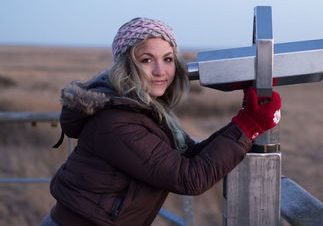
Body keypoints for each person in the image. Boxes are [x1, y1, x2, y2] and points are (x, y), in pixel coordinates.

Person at [40, 17, 281, 226]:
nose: (160, 71)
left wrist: (244, 119)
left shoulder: (139, 109)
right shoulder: (115, 121)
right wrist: (248, 126)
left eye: (167, 59)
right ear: (126, 66)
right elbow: (189, 178)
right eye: (146, 60)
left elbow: (189, 155)